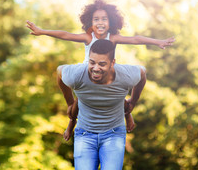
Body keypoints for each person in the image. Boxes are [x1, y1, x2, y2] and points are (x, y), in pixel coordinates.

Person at [27, 0, 174, 140]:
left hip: (107, 70)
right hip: (88, 70)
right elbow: (65, 35)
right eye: (96, 19)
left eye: (104, 19)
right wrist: (43, 31)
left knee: (117, 93)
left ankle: (127, 114)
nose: (100, 22)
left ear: (111, 22)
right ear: (90, 22)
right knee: (77, 104)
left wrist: (157, 42)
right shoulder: (88, 37)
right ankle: (71, 122)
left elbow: (135, 39)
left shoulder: (113, 37)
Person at [57, 39, 146, 169]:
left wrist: (132, 102)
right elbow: (59, 72)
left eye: (102, 64)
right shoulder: (76, 75)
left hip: (114, 134)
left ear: (112, 63)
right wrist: (70, 103)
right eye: (92, 62)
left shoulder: (126, 75)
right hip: (84, 134)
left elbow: (142, 73)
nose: (96, 68)